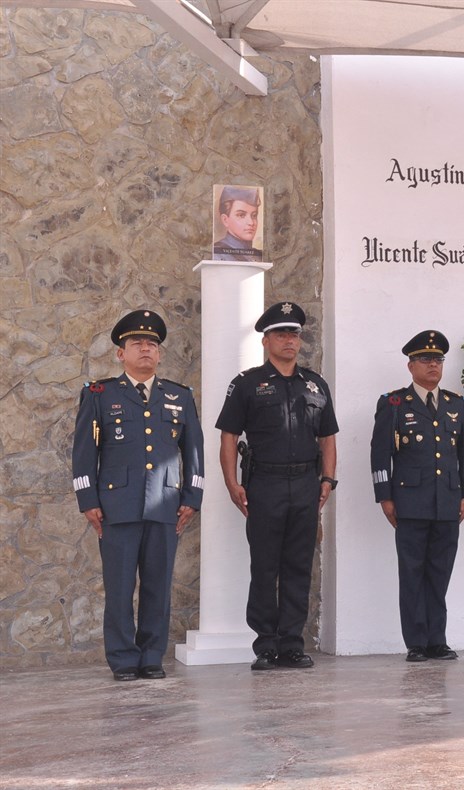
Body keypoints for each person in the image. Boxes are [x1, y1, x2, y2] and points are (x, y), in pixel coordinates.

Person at [72, 310, 204, 681]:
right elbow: (84, 452)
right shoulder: (100, 395)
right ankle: (123, 659)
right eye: (137, 343)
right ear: (121, 353)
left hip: (165, 505)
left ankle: (151, 656)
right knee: (119, 588)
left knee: (158, 586)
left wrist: (192, 497)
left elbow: (194, 451)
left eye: (152, 344)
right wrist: (88, 501)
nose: (145, 349)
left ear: (159, 354)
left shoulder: (179, 396)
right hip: (116, 508)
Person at [216, 302, 338, 670]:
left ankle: (292, 644)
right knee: (265, 566)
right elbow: (229, 436)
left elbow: (328, 437)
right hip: (264, 484)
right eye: (281, 334)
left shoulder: (315, 384)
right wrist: (232, 483)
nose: (289, 340)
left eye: (294, 334)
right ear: (266, 341)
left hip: (305, 484)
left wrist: (328, 479)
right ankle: (266, 645)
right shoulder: (247, 383)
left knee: (299, 565)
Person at [370, 331, 464, 662]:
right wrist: (384, 496)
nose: (433, 365)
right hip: (410, 502)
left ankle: (437, 640)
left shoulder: (456, 404)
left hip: (448, 502)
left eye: (438, 360)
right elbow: (380, 454)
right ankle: (416, 642)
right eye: (425, 360)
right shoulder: (394, 403)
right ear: (411, 366)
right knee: (412, 573)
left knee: (440, 573)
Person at [212, 186, 263, 262]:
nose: (251, 222)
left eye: (254, 215)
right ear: (225, 220)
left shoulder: (259, 255)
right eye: (241, 215)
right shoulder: (217, 254)